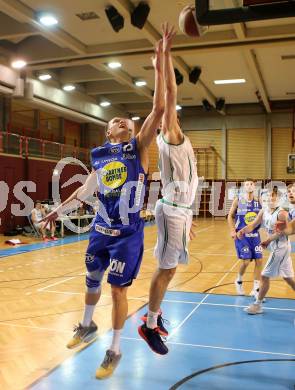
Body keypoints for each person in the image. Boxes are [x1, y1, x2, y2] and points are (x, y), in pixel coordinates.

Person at [40, 40, 164, 379]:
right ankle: (85, 325)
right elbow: (86, 188)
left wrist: (159, 67)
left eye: (127, 120)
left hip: (127, 233)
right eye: (115, 120)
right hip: (100, 229)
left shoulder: (137, 149)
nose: (122, 120)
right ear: (107, 131)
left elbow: (159, 111)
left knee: (117, 289)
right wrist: (57, 211)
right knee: (92, 278)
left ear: (133, 131)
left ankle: (115, 348)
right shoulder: (99, 155)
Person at [138, 23, 198, 355]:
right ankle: (148, 327)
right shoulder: (171, 136)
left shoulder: (179, 139)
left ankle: (155, 316)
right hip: (172, 209)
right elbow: (169, 95)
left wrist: (190, 219)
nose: (168, 115)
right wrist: (165, 57)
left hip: (181, 210)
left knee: (171, 268)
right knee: (165, 269)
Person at [238, 189, 295, 314]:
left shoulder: (281, 214)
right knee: (289, 279)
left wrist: (268, 240)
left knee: (264, 276)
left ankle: (257, 305)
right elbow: (253, 225)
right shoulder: (263, 211)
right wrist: (242, 230)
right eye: (267, 198)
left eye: (273, 198)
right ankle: (257, 305)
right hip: (276, 247)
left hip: (281, 248)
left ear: (278, 199)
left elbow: (283, 232)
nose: (270, 200)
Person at [227, 179, 263, 298]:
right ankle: (239, 280)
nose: (249, 186)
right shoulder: (238, 200)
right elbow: (230, 216)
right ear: (244, 187)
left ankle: (256, 289)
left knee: (259, 261)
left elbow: (265, 215)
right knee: (246, 261)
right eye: (247, 184)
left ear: (255, 186)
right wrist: (232, 230)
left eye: (251, 184)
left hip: (255, 235)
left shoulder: (259, 201)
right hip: (241, 236)